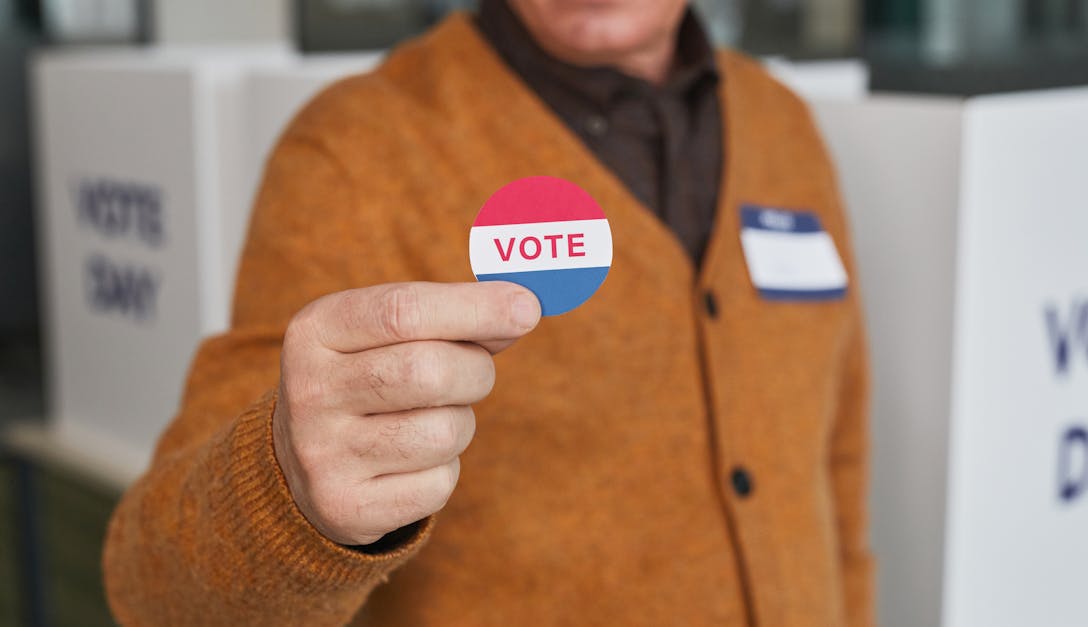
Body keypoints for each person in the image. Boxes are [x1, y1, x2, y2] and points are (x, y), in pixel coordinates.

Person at [103, 0, 874, 625]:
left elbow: (832, 465)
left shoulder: (782, 126)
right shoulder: (356, 148)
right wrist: (287, 498)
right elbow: (154, 594)